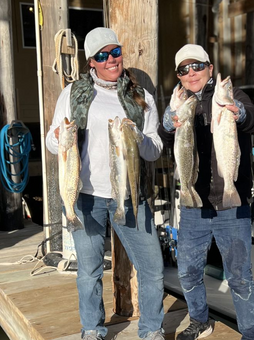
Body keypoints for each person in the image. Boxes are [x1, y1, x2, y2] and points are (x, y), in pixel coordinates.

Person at [46, 27, 165, 340]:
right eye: (102, 55)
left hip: (130, 195)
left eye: (115, 51)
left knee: (152, 266)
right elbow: (50, 141)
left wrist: (138, 138)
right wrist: (59, 139)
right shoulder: (72, 94)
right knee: (89, 270)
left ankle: (152, 329)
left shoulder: (142, 97)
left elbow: (155, 149)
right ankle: (92, 328)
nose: (111, 59)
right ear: (91, 62)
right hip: (86, 196)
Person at [158, 44, 254, 340]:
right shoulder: (180, 103)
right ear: (178, 76)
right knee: (188, 272)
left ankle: (251, 335)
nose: (191, 73)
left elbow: (253, 119)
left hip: (232, 204)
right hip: (194, 205)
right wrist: (167, 124)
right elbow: (167, 139)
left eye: (197, 66)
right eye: (183, 69)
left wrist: (238, 112)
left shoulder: (231, 96)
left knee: (240, 278)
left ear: (210, 68)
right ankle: (200, 320)